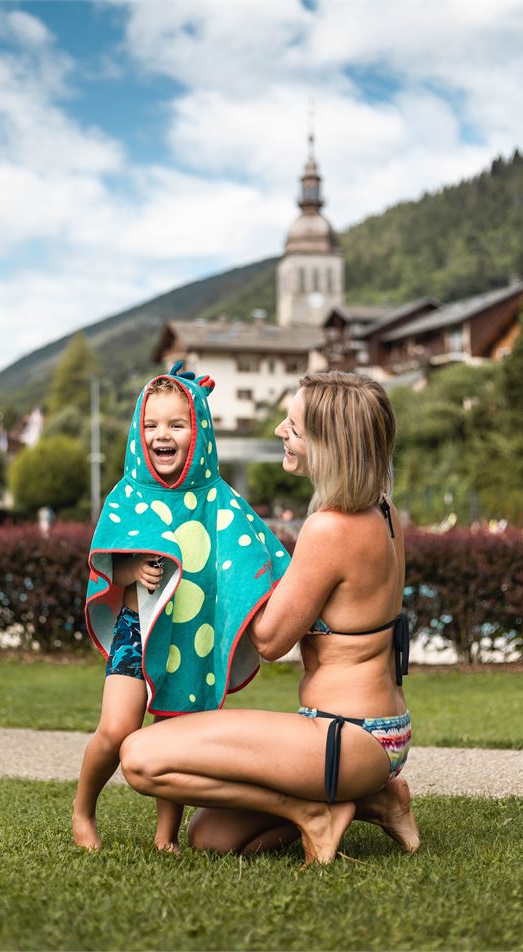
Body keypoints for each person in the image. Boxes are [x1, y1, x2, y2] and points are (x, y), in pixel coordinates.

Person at [120, 370, 420, 865]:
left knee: (140, 758)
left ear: (332, 444)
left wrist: (228, 550)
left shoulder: (330, 528)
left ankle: (317, 813)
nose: (281, 430)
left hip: (346, 736)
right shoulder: (382, 511)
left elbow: (269, 639)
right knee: (210, 837)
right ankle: (376, 800)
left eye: (295, 426)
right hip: (376, 733)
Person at [73, 365, 289, 852]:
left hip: (193, 632)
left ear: (200, 430)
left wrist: (295, 597)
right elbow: (108, 558)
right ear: (136, 432)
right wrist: (129, 574)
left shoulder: (216, 497)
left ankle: (165, 835)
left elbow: (259, 551)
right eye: (150, 426)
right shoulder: (128, 494)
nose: (161, 435)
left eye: (176, 424)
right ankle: (83, 811)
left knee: (174, 734)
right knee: (116, 728)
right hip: (138, 627)